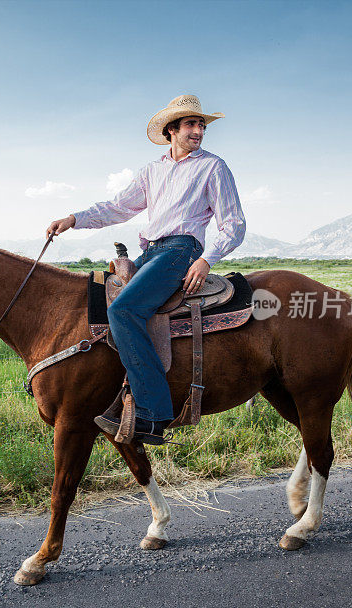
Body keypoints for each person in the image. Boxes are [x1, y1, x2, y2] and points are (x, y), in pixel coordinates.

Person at [46, 94, 246, 444]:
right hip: (151, 251)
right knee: (101, 306)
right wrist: (74, 219)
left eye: (201, 125)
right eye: (191, 124)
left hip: (181, 250)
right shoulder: (152, 170)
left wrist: (206, 259)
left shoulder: (213, 167)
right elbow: (118, 207)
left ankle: (153, 414)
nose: (198, 130)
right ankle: (116, 396)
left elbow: (234, 224)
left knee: (124, 311)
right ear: (171, 130)